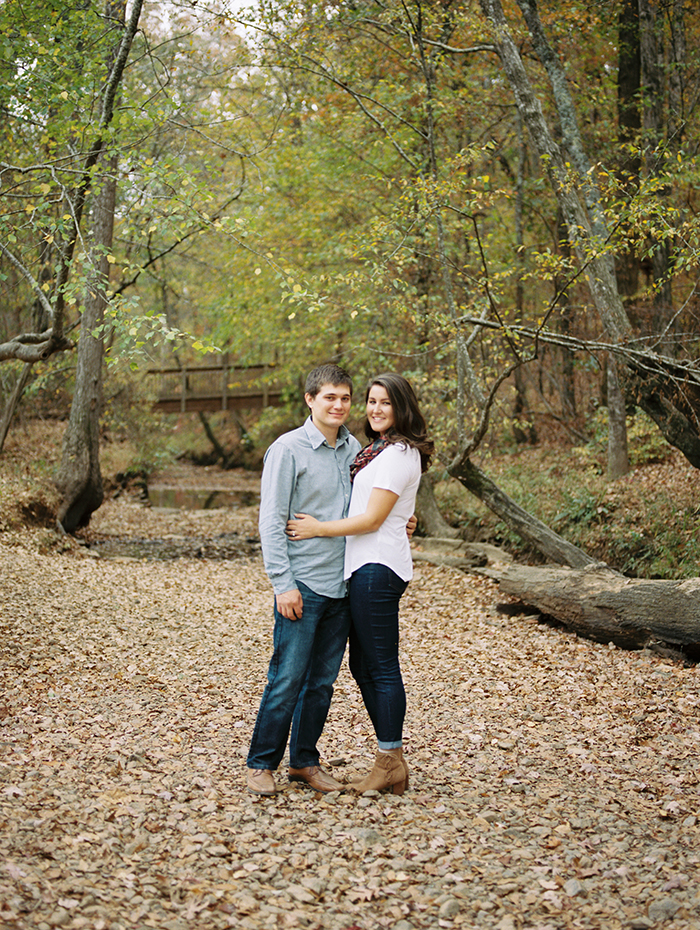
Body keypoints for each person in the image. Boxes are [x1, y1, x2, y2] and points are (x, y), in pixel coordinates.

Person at [287, 372, 434, 795]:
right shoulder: (375, 451)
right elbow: (382, 508)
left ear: (401, 407)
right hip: (365, 565)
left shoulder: (398, 453)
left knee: (381, 666)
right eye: (370, 402)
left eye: (384, 402)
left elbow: (370, 519)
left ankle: (390, 761)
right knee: (362, 664)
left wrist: (317, 529)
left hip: (377, 568)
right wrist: (404, 517)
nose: (374, 409)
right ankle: (390, 759)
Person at [246, 364, 360, 796]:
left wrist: (401, 525)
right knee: (287, 677)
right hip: (304, 584)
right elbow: (271, 521)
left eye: (345, 398)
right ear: (310, 399)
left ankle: (304, 762)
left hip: (343, 584)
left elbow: (368, 509)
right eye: (330, 397)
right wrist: (282, 583)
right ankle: (261, 763)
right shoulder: (287, 449)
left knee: (321, 682)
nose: (339, 405)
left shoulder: (355, 450)